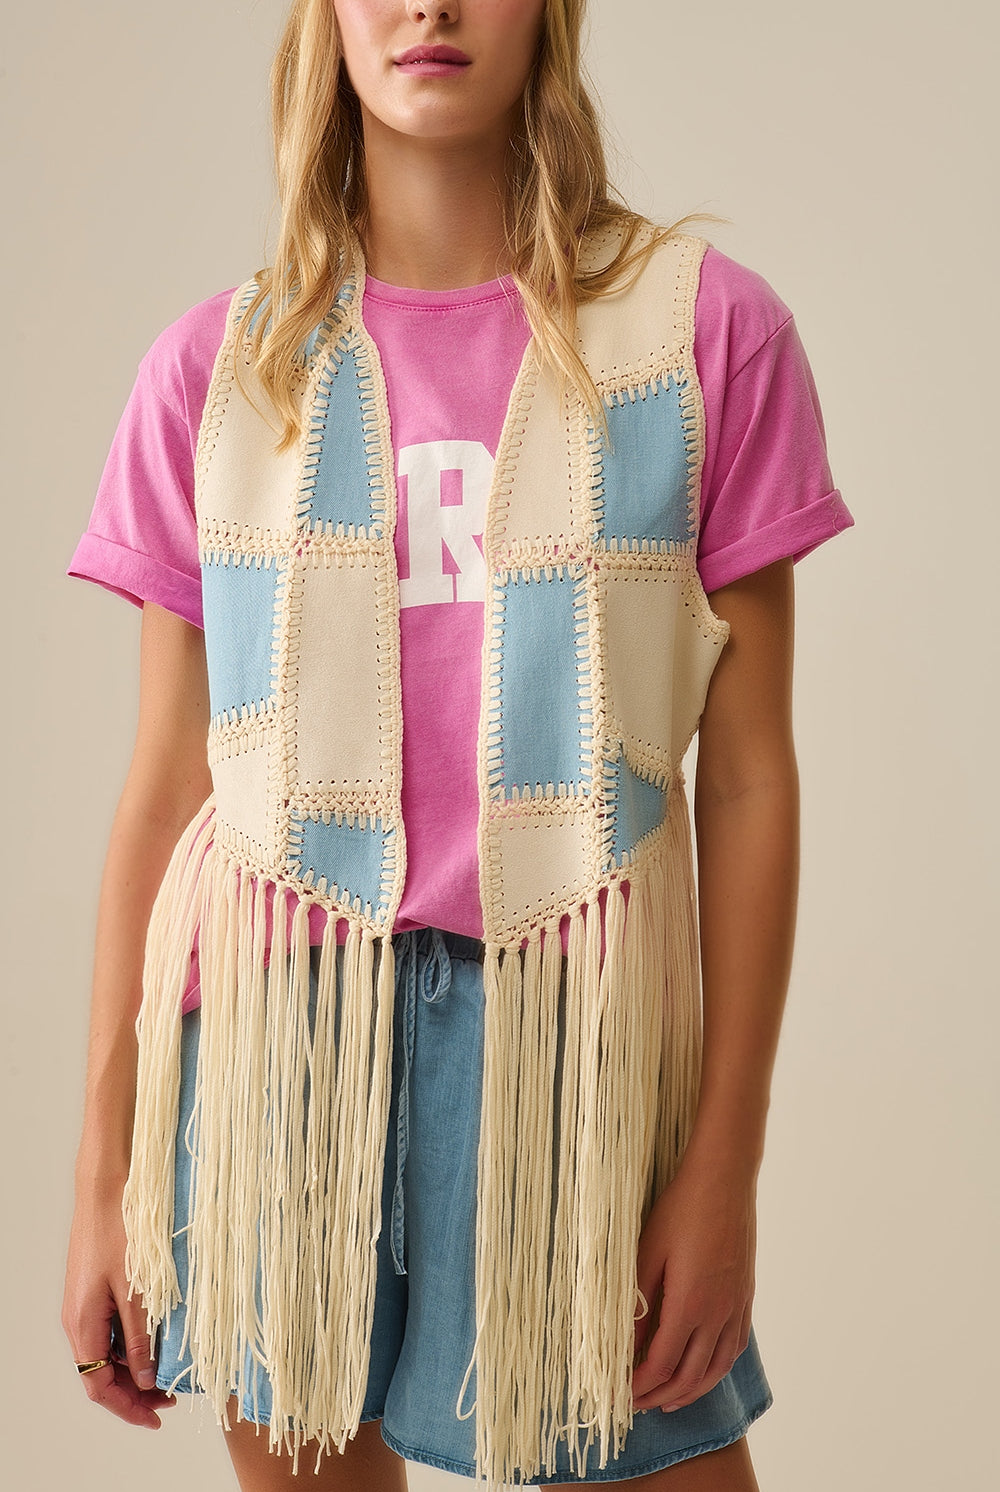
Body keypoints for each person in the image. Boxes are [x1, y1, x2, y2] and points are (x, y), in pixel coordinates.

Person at [61, 2, 854, 1489]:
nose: (429, 7)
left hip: (572, 1033)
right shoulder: (221, 373)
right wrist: (101, 1176)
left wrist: (725, 1163)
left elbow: (748, 776)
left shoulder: (698, 339)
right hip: (282, 1035)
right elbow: (167, 785)